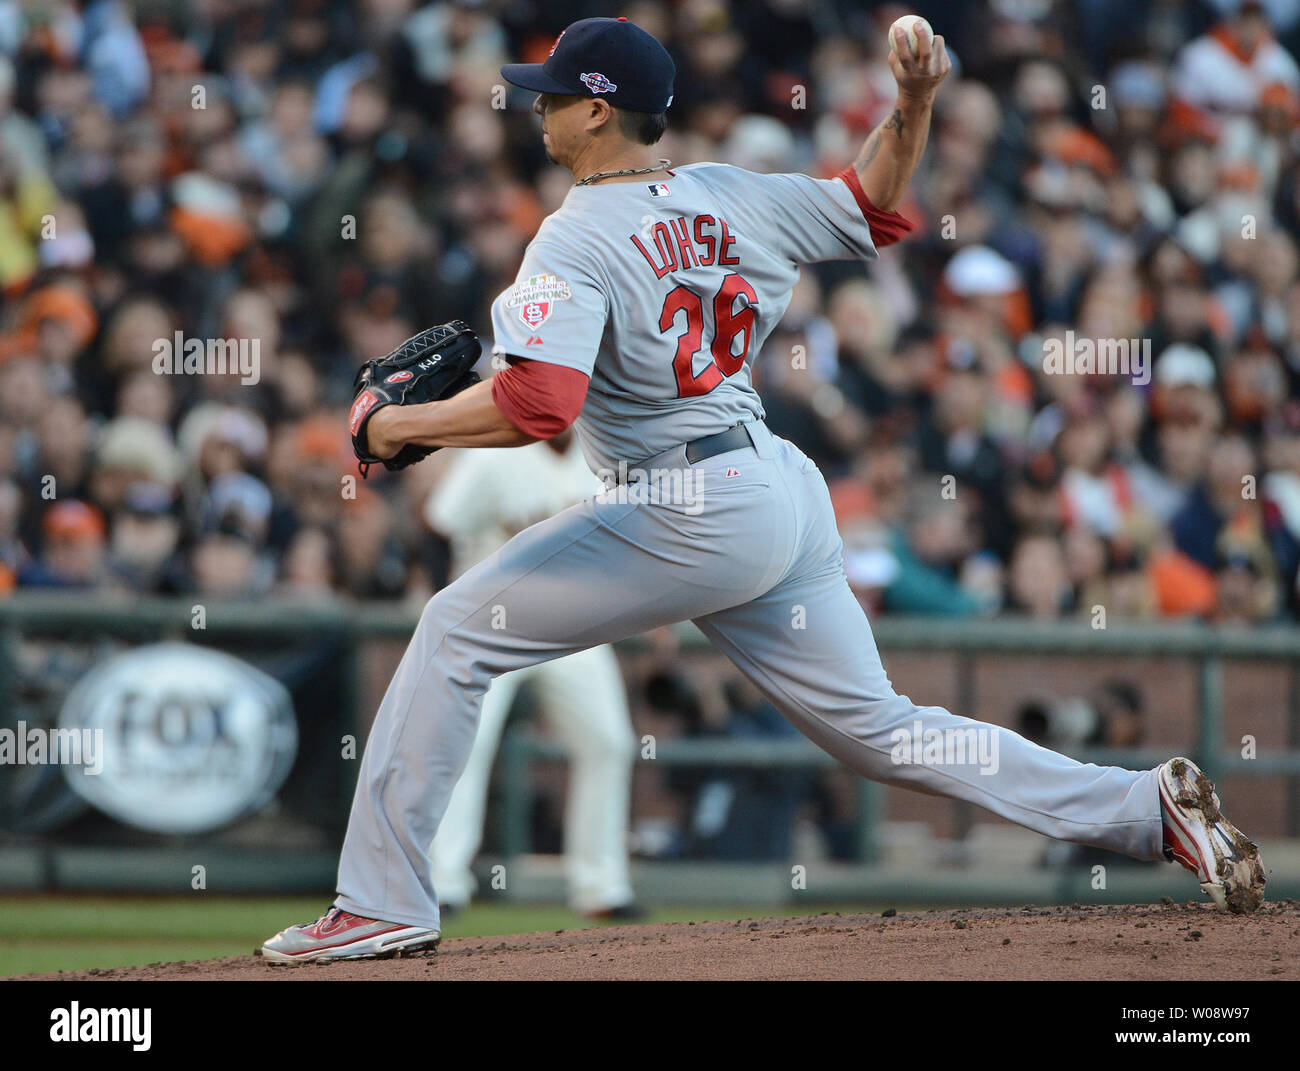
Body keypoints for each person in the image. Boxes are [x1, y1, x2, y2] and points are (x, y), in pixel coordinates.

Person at [263, 17, 1265, 963]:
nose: (536, 109)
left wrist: (391, 427)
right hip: (774, 487)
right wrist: (910, 104)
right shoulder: (730, 194)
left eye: (552, 95)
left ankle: (381, 905)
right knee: (880, 732)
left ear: (599, 111)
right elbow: (872, 199)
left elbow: (539, 403)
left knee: (450, 630)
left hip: (685, 501)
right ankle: (1142, 812)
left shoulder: (574, 236)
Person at [423, 430, 639, 919]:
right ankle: (442, 882)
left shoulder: (601, 456)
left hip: (570, 621)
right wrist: (443, 606)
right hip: (490, 619)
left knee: (608, 742)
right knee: (467, 742)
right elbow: (437, 528)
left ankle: (601, 887)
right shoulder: (491, 458)